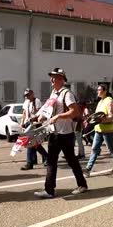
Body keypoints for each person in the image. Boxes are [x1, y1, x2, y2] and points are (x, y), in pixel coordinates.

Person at [32, 68, 88, 198]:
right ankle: (49, 190)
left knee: (72, 161)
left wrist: (58, 117)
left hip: (66, 134)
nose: (52, 79)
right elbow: (47, 109)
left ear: (62, 79)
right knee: (51, 161)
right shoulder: (53, 93)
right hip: (55, 133)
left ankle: (82, 185)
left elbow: (74, 112)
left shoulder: (66, 93)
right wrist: (39, 117)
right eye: (51, 76)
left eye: (55, 77)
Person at [83, 84, 113, 178]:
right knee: (94, 149)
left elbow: (112, 116)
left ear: (105, 91)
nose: (97, 91)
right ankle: (88, 169)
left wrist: (102, 120)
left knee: (111, 149)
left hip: (107, 130)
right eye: (97, 90)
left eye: (99, 90)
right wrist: (89, 120)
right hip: (98, 129)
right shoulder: (100, 102)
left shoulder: (109, 101)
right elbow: (96, 116)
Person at [20, 88, 48, 170]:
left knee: (31, 143)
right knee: (35, 144)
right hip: (28, 124)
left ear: (32, 94)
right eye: (25, 95)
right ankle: (46, 158)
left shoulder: (37, 101)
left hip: (35, 124)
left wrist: (36, 120)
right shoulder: (26, 102)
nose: (27, 97)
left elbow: (39, 113)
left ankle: (30, 163)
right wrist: (22, 122)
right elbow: (24, 112)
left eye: (28, 95)